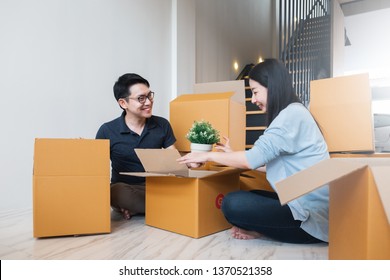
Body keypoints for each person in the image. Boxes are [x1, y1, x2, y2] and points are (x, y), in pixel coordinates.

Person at [178, 59, 329, 244]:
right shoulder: (294, 112)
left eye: (255, 92)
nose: (253, 99)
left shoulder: (291, 116)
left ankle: (264, 230)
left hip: (310, 218)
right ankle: (263, 230)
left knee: (232, 203)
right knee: (253, 195)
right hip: (302, 203)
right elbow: (269, 166)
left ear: (272, 87)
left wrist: (206, 154)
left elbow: (251, 160)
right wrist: (232, 154)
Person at [96, 73, 176, 220]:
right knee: (116, 193)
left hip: (156, 186)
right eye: (141, 98)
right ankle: (162, 206)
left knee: (178, 188)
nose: (148, 102)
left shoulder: (162, 124)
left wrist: (189, 163)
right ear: (123, 103)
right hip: (126, 188)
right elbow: (96, 170)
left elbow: (174, 160)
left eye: (149, 95)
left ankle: (136, 209)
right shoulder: (107, 130)